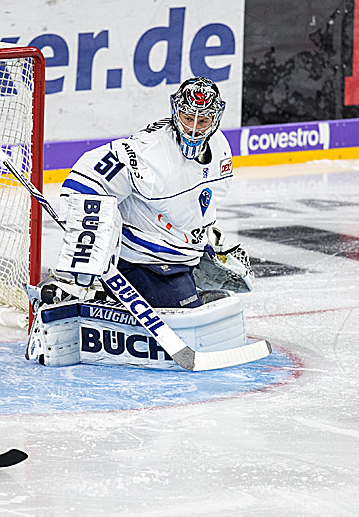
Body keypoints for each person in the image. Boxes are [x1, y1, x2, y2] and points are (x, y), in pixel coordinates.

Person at [26, 77, 253, 369]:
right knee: (186, 311)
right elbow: (85, 181)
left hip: (183, 253)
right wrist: (87, 245)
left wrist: (208, 240)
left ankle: (159, 284)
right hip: (144, 259)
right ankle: (81, 292)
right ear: (175, 113)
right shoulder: (147, 151)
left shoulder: (221, 149)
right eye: (187, 118)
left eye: (204, 120)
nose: (195, 128)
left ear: (216, 118)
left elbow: (201, 203)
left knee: (221, 297)